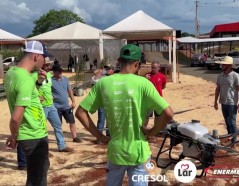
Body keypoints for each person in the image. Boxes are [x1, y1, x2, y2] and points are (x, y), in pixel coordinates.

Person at [75, 44, 173, 186]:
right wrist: (153, 132)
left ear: (120, 61)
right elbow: (168, 113)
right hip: (138, 152)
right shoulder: (143, 83)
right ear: (136, 64)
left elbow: (80, 112)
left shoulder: (103, 83)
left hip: (116, 151)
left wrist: (100, 136)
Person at [4, 40, 50, 185]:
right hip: (33, 134)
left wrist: (38, 82)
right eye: (44, 57)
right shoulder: (25, 79)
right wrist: (13, 135)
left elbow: (26, 97)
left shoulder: (12, 73)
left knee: (39, 171)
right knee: (37, 179)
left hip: (29, 133)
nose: (45, 60)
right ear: (36, 56)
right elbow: (16, 117)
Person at [32, 58, 74, 152]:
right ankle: (43, 151)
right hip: (41, 106)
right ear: (41, 65)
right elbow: (31, 88)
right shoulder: (34, 76)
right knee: (41, 128)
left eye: (48, 65)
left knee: (58, 124)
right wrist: (36, 97)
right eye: (46, 65)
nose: (48, 67)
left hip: (51, 105)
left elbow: (48, 87)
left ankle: (62, 146)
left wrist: (51, 95)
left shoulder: (48, 75)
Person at [214, 56, 239, 148]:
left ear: (229, 65)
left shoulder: (235, 76)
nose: (222, 65)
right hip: (223, 103)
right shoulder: (220, 75)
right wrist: (215, 101)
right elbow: (217, 89)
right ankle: (230, 138)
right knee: (227, 122)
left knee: (232, 122)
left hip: (232, 104)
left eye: (224, 64)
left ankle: (234, 142)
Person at [51, 64, 82, 143]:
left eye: (61, 71)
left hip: (66, 106)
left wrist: (73, 101)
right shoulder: (50, 81)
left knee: (72, 122)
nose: (60, 73)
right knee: (58, 124)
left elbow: (70, 90)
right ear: (54, 72)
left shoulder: (65, 79)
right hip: (56, 107)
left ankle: (75, 137)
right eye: (59, 71)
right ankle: (61, 140)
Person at [144, 61, 167, 127]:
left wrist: (157, 92)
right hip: (149, 100)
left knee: (158, 117)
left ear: (158, 68)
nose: (153, 69)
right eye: (152, 67)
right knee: (146, 116)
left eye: (154, 67)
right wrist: (146, 79)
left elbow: (163, 86)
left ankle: (155, 131)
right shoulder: (147, 76)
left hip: (158, 99)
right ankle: (144, 131)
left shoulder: (162, 77)